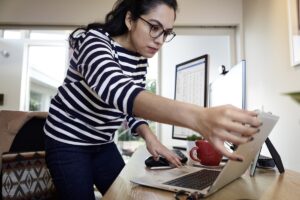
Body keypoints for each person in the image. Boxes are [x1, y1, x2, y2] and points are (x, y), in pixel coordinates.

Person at [44, 0, 261, 199]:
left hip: (102, 143)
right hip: (67, 141)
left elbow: (130, 107)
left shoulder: (139, 59)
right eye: (154, 27)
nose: (159, 41)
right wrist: (198, 117)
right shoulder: (94, 41)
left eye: (166, 33)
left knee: (123, 196)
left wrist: (150, 137)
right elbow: (116, 89)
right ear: (130, 20)